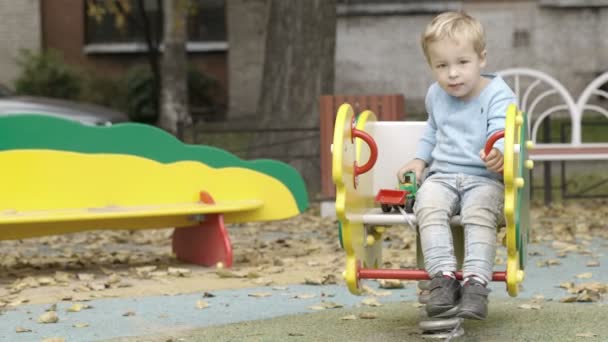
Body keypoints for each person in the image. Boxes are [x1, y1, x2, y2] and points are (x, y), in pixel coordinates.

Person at [396, 11, 516, 320]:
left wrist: (500, 152)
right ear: (431, 67)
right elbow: (432, 131)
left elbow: (502, 130)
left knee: (479, 214)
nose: (452, 74)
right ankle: (443, 279)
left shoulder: (498, 94)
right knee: (427, 205)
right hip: (443, 175)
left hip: (485, 178)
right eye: (442, 65)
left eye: (462, 62)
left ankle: (476, 284)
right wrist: (419, 160)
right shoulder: (436, 95)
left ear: (481, 59)